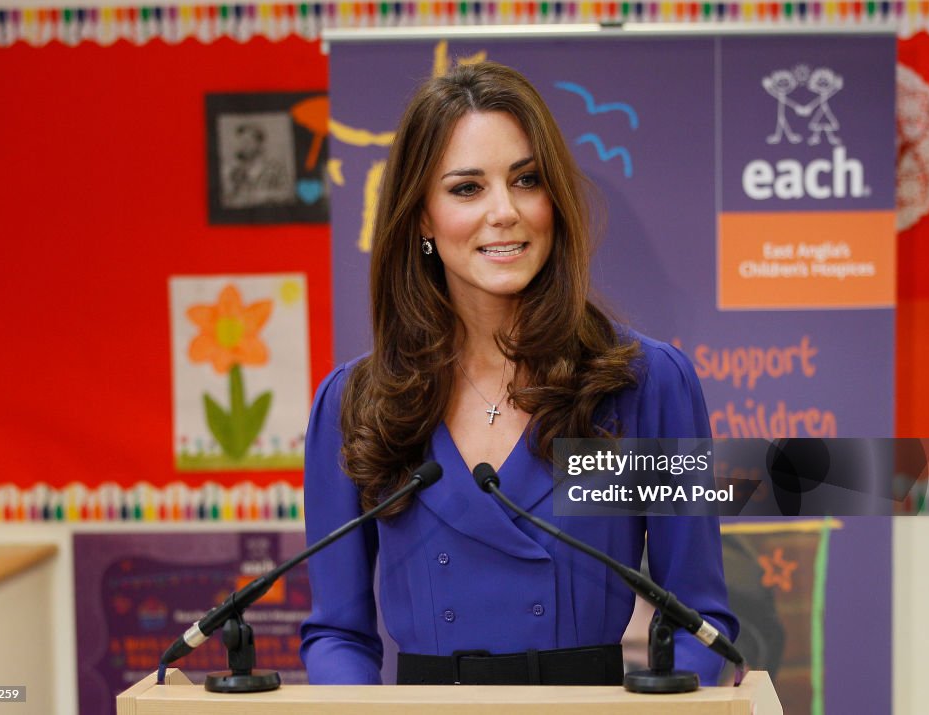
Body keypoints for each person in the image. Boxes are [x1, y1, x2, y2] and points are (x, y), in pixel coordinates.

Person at [299, 61, 738, 686]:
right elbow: (337, 634)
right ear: (422, 217)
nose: (504, 211)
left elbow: (700, 620)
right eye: (467, 188)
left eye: (526, 180)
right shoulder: (355, 404)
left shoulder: (644, 386)